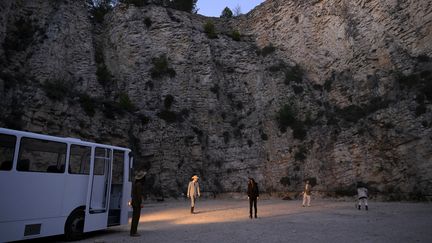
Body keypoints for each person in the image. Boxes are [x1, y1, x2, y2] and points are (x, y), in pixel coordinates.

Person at [130, 170, 146, 237]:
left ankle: (133, 231)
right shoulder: (139, 185)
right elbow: (139, 195)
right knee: (136, 218)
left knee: (135, 217)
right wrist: (141, 203)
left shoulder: (136, 184)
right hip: (137, 203)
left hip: (134, 202)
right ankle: (134, 232)